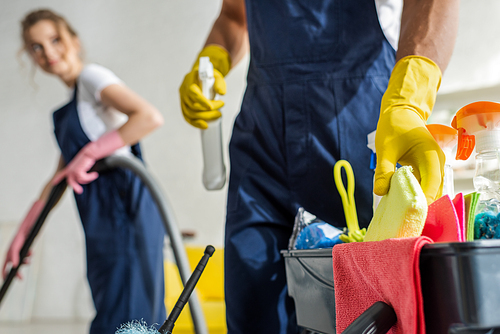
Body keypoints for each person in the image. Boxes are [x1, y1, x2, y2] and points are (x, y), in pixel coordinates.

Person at [179, 0, 459, 333]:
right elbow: (233, 16)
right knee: (252, 307)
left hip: (357, 132)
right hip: (261, 146)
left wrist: (410, 97)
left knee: (363, 309)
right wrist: (214, 56)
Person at [2, 9, 166, 333]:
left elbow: (148, 117)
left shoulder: (93, 78)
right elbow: (57, 182)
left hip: (126, 210)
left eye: (54, 40)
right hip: (99, 220)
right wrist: (23, 234)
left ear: (73, 41)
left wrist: (89, 153)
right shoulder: (68, 111)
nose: (48, 52)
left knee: (129, 317)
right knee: (111, 308)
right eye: (36, 47)